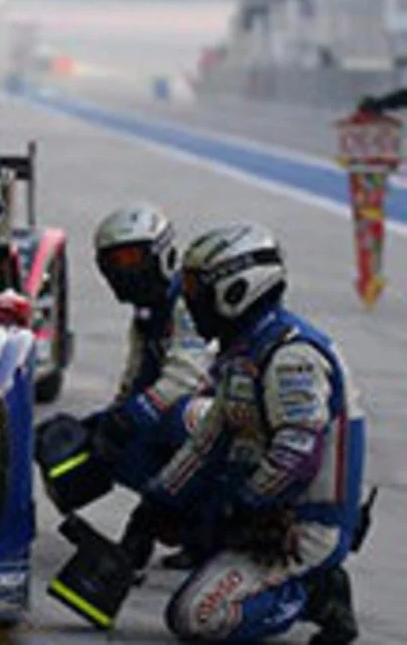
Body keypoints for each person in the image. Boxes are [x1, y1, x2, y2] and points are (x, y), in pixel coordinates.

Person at [141, 223, 363, 644]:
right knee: (174, 456)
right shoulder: (245, 350)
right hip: (262, 511)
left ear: (235, 289)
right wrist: (156, 504)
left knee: (197, 616)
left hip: (305, 527)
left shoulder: (292, 356)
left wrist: (237, 507)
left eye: (196, 287)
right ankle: (230, 559)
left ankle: (317, 593)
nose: (188, 299)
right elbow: (207, 442)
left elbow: (297, 455)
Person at [87, 205, 213, 567]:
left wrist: (132, 416)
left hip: (226, 421)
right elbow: (134, 380)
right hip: (194, 419)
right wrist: (103, 424)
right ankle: (184, 524)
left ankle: (202, 525)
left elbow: (187, 377)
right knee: (94, 438)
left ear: (162, 254)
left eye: (132, 258)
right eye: (115, 262)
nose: (124, 270)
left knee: (179, 421)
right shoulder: (146, 316)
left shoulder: (188, 301)